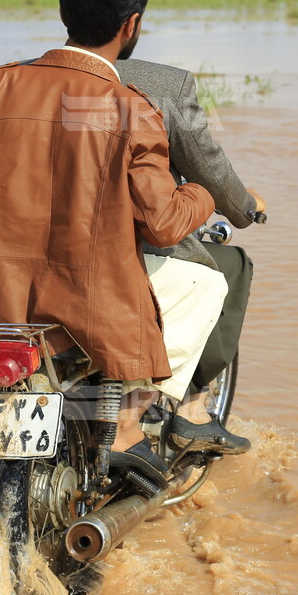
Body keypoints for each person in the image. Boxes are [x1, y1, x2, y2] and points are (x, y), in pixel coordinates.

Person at [0, 0, 215, 481]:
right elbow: (164, 224)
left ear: (63, 9)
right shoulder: (130, 108)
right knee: (208, 285)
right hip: (95, 309)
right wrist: (203, 196)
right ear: (132, 23)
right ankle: (126, 422)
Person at [116, 55, 266, 455]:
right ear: (132, 22)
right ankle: (192, 410)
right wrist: (242, 205)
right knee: (229, 267)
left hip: (23, 260)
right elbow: (207, 170)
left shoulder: (13, 80)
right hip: (135, 249)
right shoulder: (163, 85)